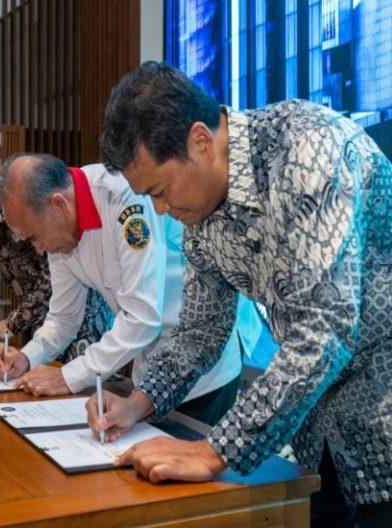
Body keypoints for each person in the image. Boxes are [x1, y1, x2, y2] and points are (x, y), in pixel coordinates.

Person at [89, 61, 392, 527]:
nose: (162, 211)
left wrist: (214, 451)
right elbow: (200, 331)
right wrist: (140, 402)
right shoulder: (200, 213)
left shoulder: (309, 147)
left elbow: (324, 325)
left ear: (201, 142)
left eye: (163, 190)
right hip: (318, 423)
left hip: (382, 412)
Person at [0, 153, 249, 426]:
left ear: (58, 203)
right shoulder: (57, 231)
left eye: (34, 236)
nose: (38, 248)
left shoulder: (122, 197)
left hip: (200, 374)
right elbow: (63, 317)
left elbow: (142, 318)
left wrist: (68, 376)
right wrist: (28, 357)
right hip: (148, 379)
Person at [0, 154, 114, 355]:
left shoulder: (28, 219)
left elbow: (49, 284)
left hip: (84, 322)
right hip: (45, 330)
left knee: (86, 379)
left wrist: (11, 323)